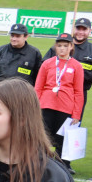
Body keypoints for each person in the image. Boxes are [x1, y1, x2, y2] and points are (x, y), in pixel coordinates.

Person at [34, 32, 84, 171]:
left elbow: (79, 92)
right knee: (43, 136)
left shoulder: (77, 66)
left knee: (62, 140)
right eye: (59, 45)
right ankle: (39, 163)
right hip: (46, 105)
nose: (62, 48)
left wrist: (76, 114)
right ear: (55, 47)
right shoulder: (47, 64)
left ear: (71, 47)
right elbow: (38, 87)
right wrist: (35, 106)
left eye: (65, 46)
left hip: (66, 107)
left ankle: (61, 167)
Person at [43, 17, 92, 117]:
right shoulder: (59, 46)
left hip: (78, 94)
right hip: (54, 92)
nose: (80, 32)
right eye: (78, 28)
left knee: (71, 125)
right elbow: (44, 65)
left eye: (84, 29)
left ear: (90, 31)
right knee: (49, 126)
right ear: (73, 29)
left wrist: (76, 75)